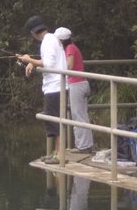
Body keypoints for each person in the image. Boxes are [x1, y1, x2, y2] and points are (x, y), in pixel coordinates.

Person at [18, 15, 67, 164]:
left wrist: (29, 60)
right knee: (54, 121)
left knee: (55, 121)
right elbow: (46, 61)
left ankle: (59, 156)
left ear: (33, 32)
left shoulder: (48, 41)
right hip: (56, 87)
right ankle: (56, 153)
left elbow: (49, 64)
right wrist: (32, 63)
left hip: (55, 87)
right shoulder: (51, 39)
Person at [56, 27, 93, 153]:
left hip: (77, 85)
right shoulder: (71, 47)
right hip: (80, 84)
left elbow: (70, 66)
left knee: (78, 115)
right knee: (81, 114)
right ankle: (85, 145)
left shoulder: (70, 48)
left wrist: (57, 63)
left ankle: (83, 147)